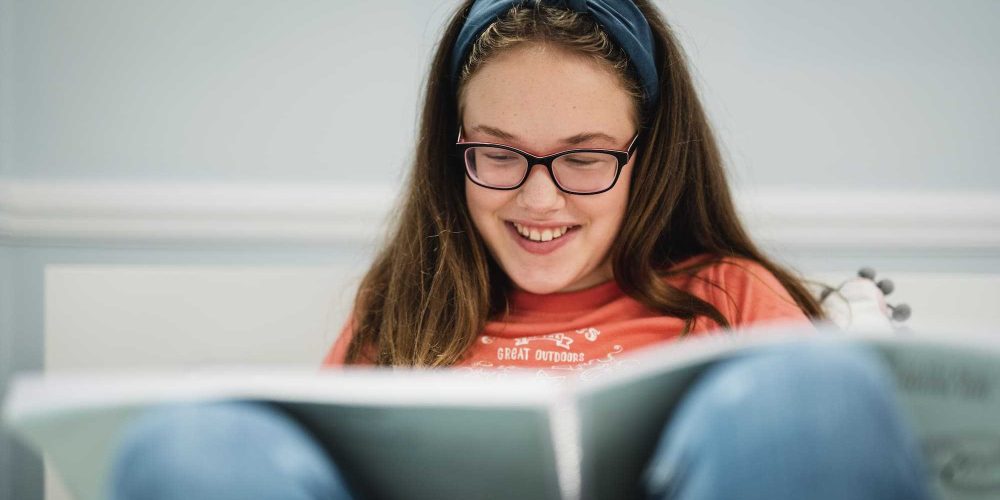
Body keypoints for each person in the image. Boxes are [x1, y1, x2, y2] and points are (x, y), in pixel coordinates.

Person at [108, 1, 937, 499]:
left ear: (646, 155)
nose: (539, 200)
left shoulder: (730, 293)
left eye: (584, 156)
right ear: (455, 148)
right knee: (188, 441)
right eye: (498, 155)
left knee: (813, 391)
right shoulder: (404, 308)